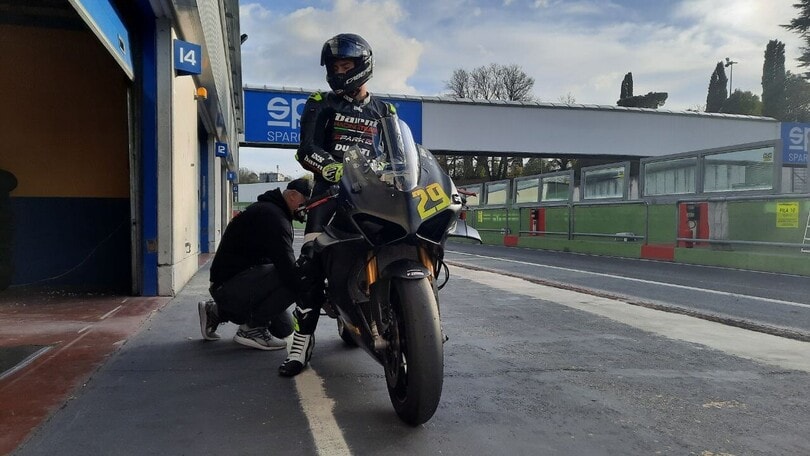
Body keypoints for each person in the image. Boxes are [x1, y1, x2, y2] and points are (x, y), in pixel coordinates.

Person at [279, 33, 395, 376]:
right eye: (335, 65)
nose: (339, 70)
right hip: (329, 192)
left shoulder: (384, 110)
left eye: (346, 65)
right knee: (311, 261)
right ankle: (300, 345)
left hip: (373, 195)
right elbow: (306, 148)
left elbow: (397, 155)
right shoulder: (321, 102)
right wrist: (330, 166)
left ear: (362, 67)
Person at [198, 177, 312, 350]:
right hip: (229, 286)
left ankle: (216, 312)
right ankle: (252, 329)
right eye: (305, 203)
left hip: (230, 283)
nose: (306, 209)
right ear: (293, 196)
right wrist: (314, 291)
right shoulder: (274, 217)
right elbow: (288, 269)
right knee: (298, 278)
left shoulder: (271, 210)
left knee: (284, 328)